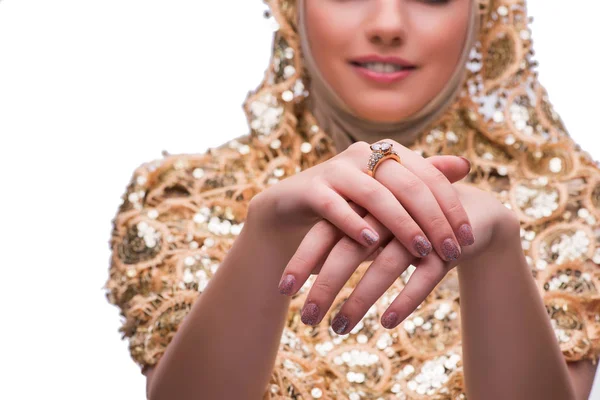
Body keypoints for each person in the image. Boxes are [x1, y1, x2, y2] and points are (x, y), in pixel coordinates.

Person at [105, 0, 600, 398]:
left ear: (485, 12)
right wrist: (267, 236)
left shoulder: (575, 204)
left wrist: (494, 253)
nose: (388, 23)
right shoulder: (181, 197)